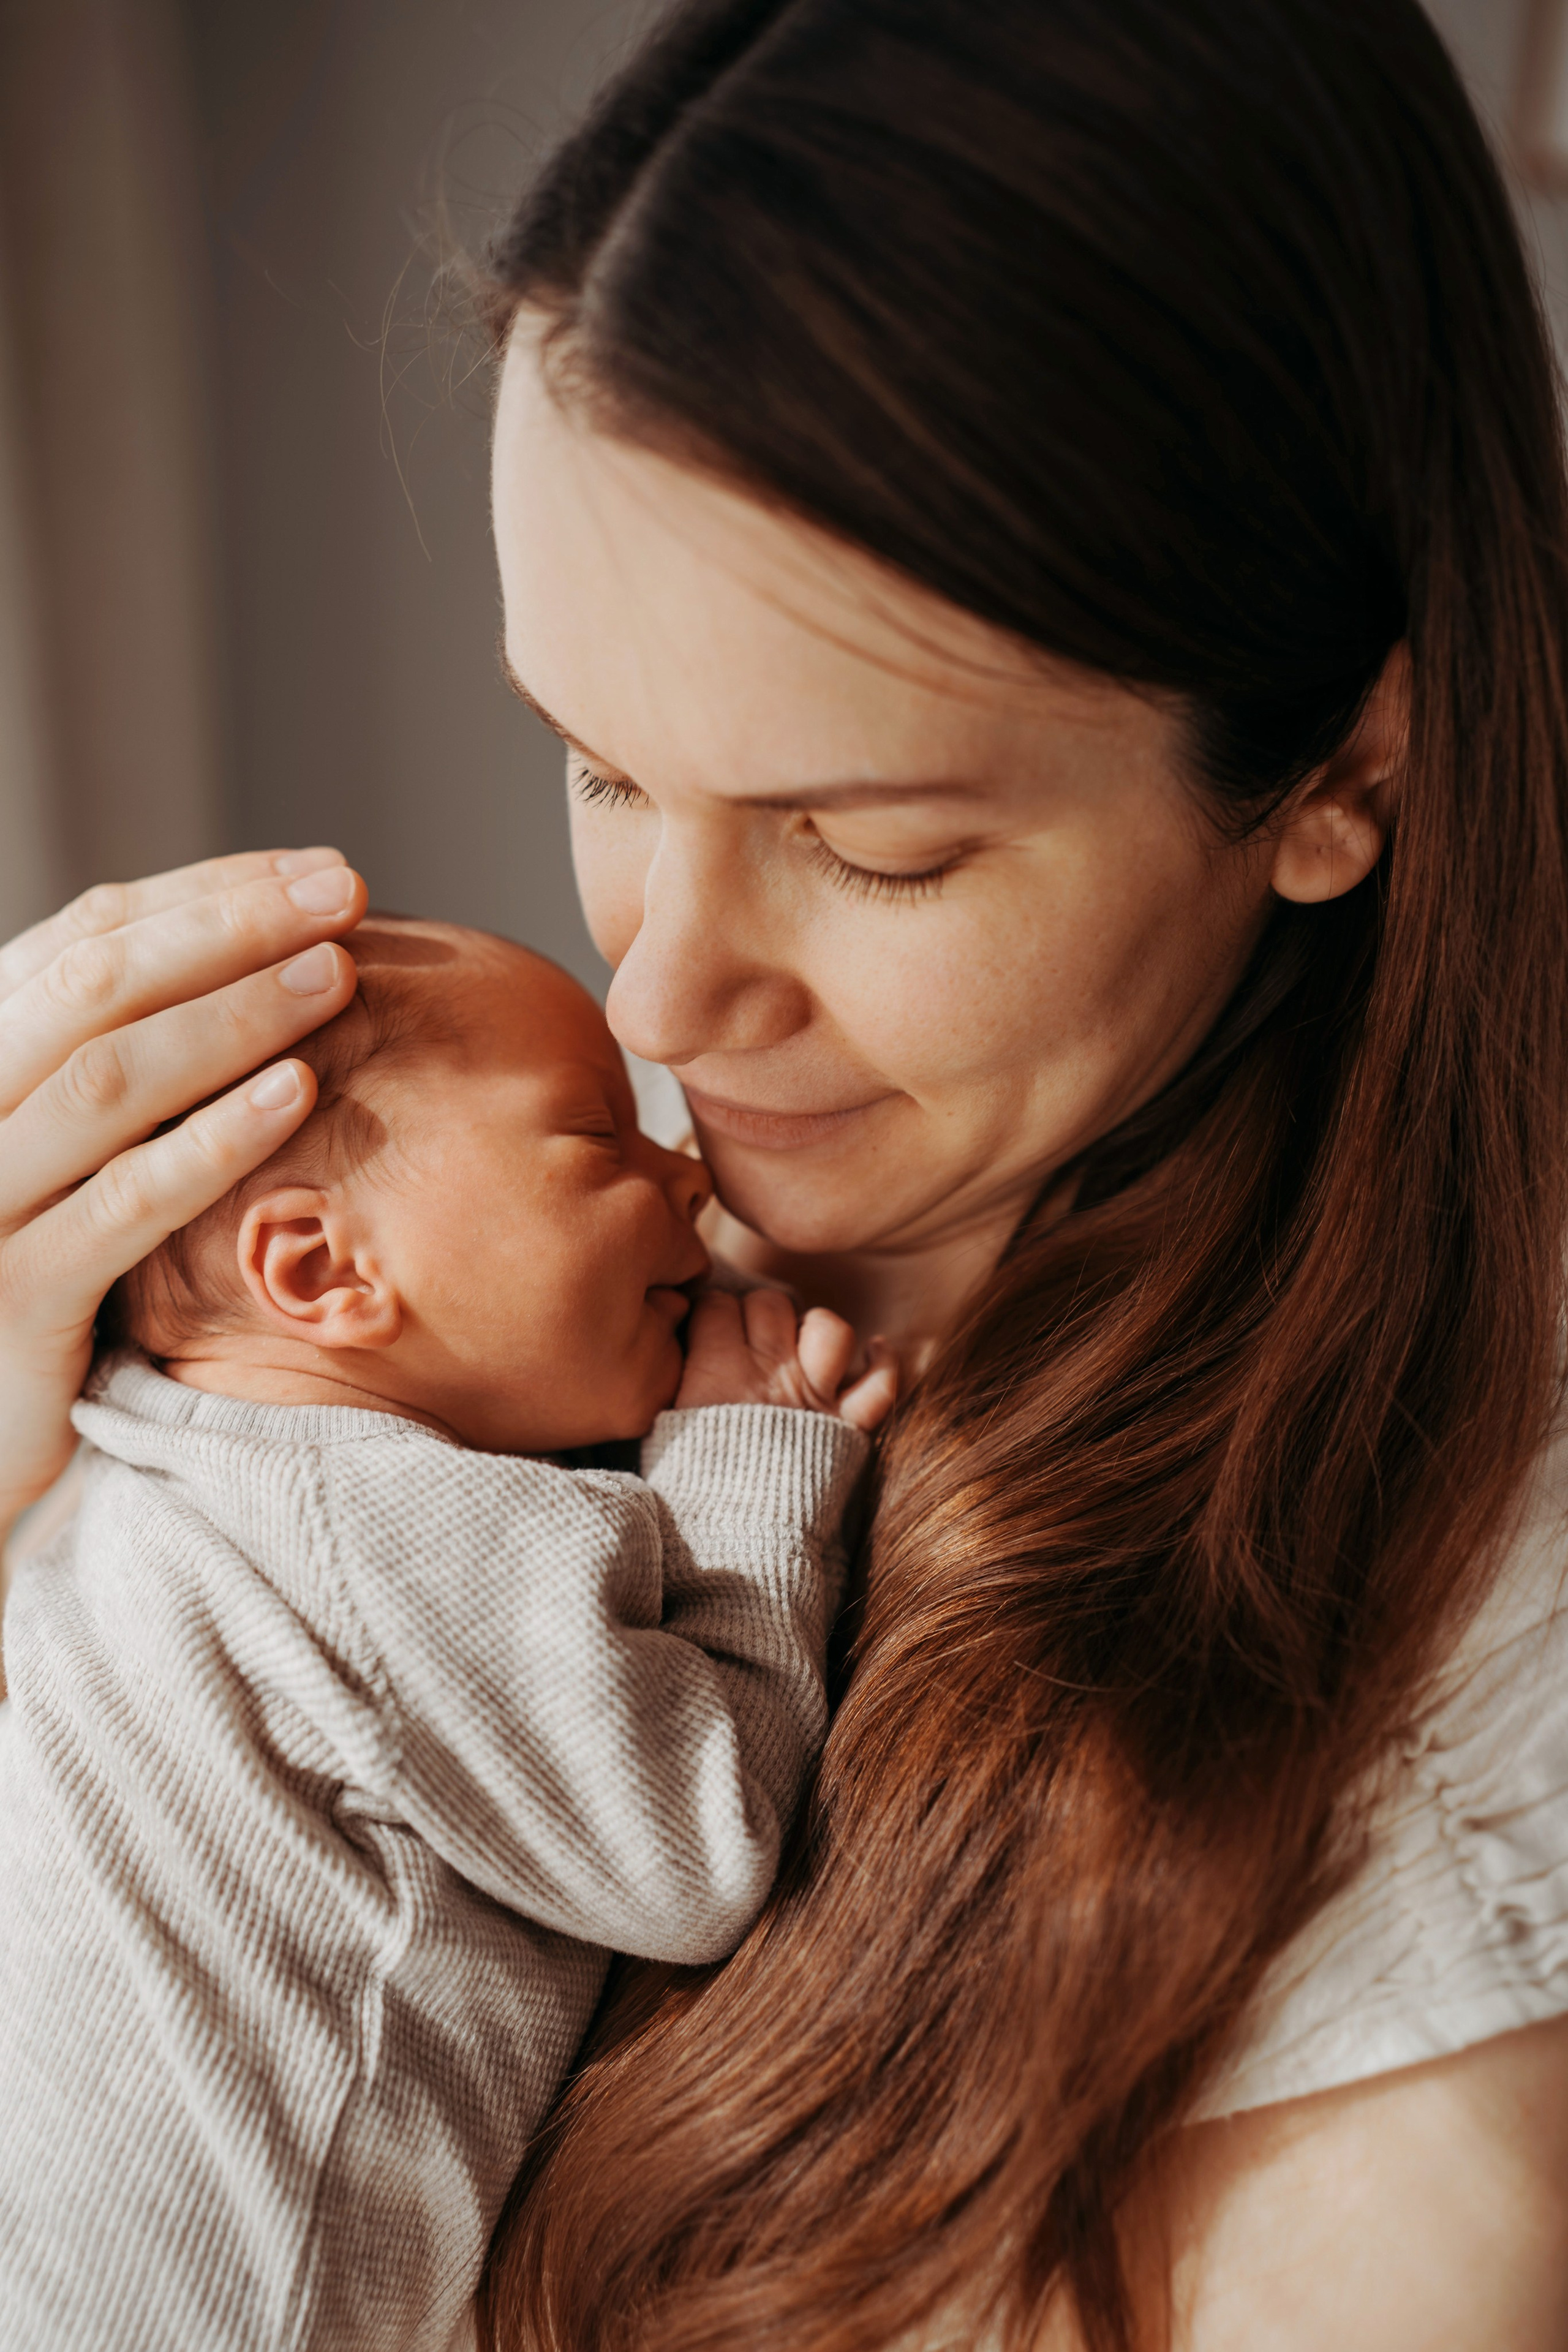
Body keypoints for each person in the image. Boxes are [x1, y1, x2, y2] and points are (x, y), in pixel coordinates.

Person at [2, 0, 1567, 2342]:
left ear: (1341, 773)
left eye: (871, 847)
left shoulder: (1437, 1805)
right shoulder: (506, 1318)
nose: (654, 1007)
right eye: (604, 772)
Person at [0, 916, 886, 2352]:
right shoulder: (383, 1525)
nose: (688, 1173)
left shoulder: (136, 1470)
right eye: (599, 1135)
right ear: (321, 1271)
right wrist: (741, 1470)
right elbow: (687, 1852)